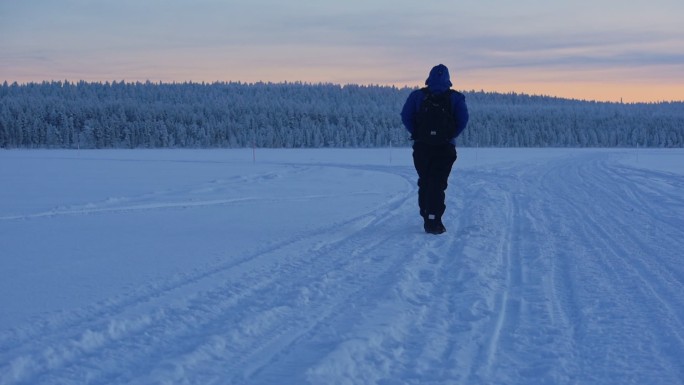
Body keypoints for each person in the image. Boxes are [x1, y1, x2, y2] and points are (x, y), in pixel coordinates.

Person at [401, 64, 469, 234]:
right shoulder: (456, 98)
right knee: (437, 183)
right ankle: (434, 220)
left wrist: (417, 133)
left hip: (422, 147)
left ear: (429, 77)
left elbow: (405, 116)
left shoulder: (417, 96)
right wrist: (449, 136)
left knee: (425, 180)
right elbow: (463, 120)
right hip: (445, 148)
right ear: (448, 78)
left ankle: (426, 213)